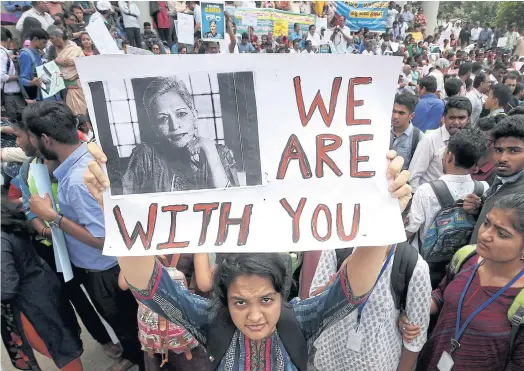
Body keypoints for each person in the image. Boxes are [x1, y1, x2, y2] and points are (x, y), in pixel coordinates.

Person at [83, 138, 412, 371]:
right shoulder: (210, 320)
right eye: (240, 302)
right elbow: (150, 286)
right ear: (224, 300)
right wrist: (115, 209)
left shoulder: (301, 319)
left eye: (266, 300)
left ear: (283, 295)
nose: (255, 316)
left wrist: (383, 217)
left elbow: (349, 291)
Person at [22, 102, 144, 370]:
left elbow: (103, 238)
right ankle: (135, 357)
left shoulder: (78, 180)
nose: (29, 142)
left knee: (127, 329)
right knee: (129, 328)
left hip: (105, 271)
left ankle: (141, 362)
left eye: (31, 136)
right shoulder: (83, 157)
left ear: (45, 139)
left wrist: (54, 217)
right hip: (108, 268)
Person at [403, 193, 524, 370]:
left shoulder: (519, 299)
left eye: (502, 234)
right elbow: (442, 296)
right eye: (486, 223)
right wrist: (412, 313)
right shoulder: (466, 258)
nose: (485, 235)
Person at [308, 244, 431, 371]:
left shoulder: (413, 265)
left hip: (377, 364)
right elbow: (312, 301)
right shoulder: (338, 247)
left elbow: (415, 340)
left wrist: (402, 323)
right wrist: (334, 284)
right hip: (328, 361)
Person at [1, 189, 84, 371]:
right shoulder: (6, 212)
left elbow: (6, 286)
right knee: (62, 341)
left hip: (31, 302)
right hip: (43, 282)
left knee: (58, 348)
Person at [119, 76, 239, 194]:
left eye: (181, 114)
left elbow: (235, 204)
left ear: (194, 116)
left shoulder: (220, 153)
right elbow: (128, 206)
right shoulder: (144, 156)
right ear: (154, 126)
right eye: (162, 119)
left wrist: (210, 151)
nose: (175, 126)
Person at [406, 128, 489, 248]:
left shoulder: (426, 190)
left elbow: (410, 229)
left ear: (449, 156)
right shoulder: (483, 189)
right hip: (461, 259)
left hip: (428, 259)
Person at [464, 115, 524, 244]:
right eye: (499, 150)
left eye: (514, 151)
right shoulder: (501, 180)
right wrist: (479, 208)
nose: (502, 158)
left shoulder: (521, 196)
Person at [409, 96, 472, 192]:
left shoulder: (468, 141)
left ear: (468, 120)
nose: (456, 122)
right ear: (444, 118)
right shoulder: (430, 140)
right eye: (452, 117)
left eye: (461, 118)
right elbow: (413, 176)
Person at [47, 26, 87, 115]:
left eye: (52, 38)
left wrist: (75, 62)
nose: (50, 41)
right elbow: (47, 65)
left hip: (75, 86)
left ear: (59, 36)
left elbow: (84, 66)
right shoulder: (52, 49)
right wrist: (56, 61)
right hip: (57, 85)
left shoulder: (75, 48)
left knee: (78, 112)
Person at [18, 28, 60, 103]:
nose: (45, 45)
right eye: (44, 42)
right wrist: (32, 82)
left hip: (43, 94)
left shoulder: (37, 53)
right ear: (35, 39)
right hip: (34, 96)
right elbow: (22, 78)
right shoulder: (26, 54)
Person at [390, 93, 422, 170]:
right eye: (394, 111)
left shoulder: (419, 138)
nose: (395, 116)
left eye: (401, 113)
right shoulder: (382, 131)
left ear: (411, 116)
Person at [471, 115, 506, 186]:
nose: (477, 142)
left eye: (485, 140)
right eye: (475, 137)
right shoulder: (467, 160)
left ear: (495, 143)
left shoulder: (498, 172)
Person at [1, 27, 25, 122]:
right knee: (17, 123)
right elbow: (1, 76)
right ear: (8, 40)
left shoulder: (4, 53)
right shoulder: (2, 53)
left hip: (9, 95)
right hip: (11, 95)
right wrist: (18, 77)